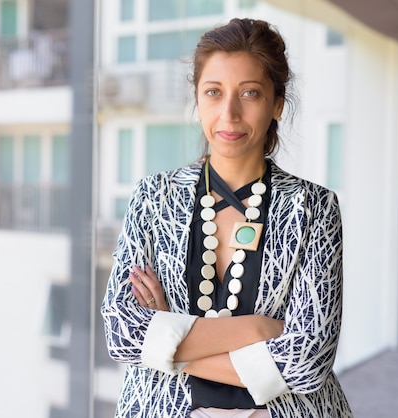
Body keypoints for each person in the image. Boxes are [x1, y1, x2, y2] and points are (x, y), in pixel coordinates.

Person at [100, 18, 353, 417]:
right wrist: (258, 329)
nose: (229, 113)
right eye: (214, 93)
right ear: (198, 101)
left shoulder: (314, 208)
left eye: (250, 93)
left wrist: (168, 338)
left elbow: (307, 364)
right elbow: (123, 334)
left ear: (277, 104)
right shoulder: (153, 198)